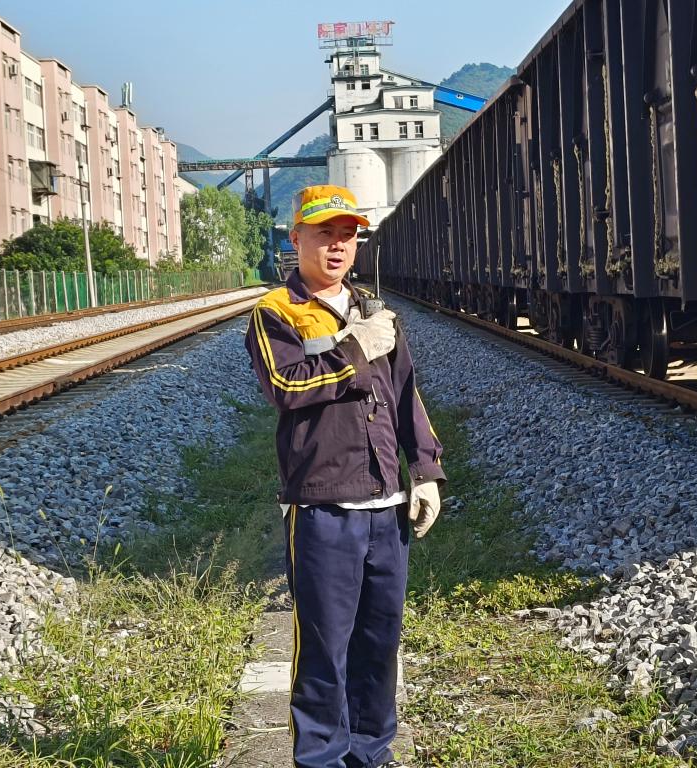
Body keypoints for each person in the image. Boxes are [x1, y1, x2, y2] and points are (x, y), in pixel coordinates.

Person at [244, 184, 445, 768]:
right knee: (323, 652)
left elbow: (405, 395)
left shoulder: (375, 311)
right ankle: (320, 759)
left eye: (347, 235)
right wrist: (353, 351)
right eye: (324, 233)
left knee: (379, 645)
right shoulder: (275, 313)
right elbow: (285, 386)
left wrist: (424, 469)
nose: (336, 245)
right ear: (296, 238)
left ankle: (371, 755)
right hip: (322, 508)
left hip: (385, 505)